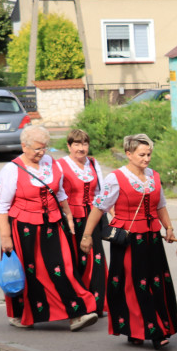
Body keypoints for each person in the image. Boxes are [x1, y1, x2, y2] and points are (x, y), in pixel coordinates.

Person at [0, 125, 98, 331]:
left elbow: (59, 193)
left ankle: (76, 314)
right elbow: (1, 206)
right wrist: (5, 237)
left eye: (45, 148)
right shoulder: (11, 170)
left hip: (52, 224)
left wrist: (68, 216)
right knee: (28, 273)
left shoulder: (51, 163)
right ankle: (21, 314)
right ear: (24, 146)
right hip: (24, 228)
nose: (41, 153)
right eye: (37, 149)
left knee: (63, 268)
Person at [80, 134, 177, 350]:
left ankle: (142, 329)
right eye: (142, 155)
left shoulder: (154, 176)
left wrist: (168, 227)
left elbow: (160, 205)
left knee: (156, 282)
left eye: (149, 154)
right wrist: (87, 235)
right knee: (133, 285)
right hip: (128, 240)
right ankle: (152, 331)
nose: (147, 159)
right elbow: (99, 207)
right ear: (128, 154)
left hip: (152, 238)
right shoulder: (116, 178)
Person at [57, 129, 107, 316]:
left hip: (92, 217)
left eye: (84, 144)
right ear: (69, 146)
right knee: (73, 260)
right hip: (70, 219)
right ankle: (78, 304)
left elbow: (102, 192)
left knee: (96, 259)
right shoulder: (60, 165)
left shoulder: (93, 163)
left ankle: (97, 303)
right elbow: (57, 192)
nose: (81, 148)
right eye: (77, 144)